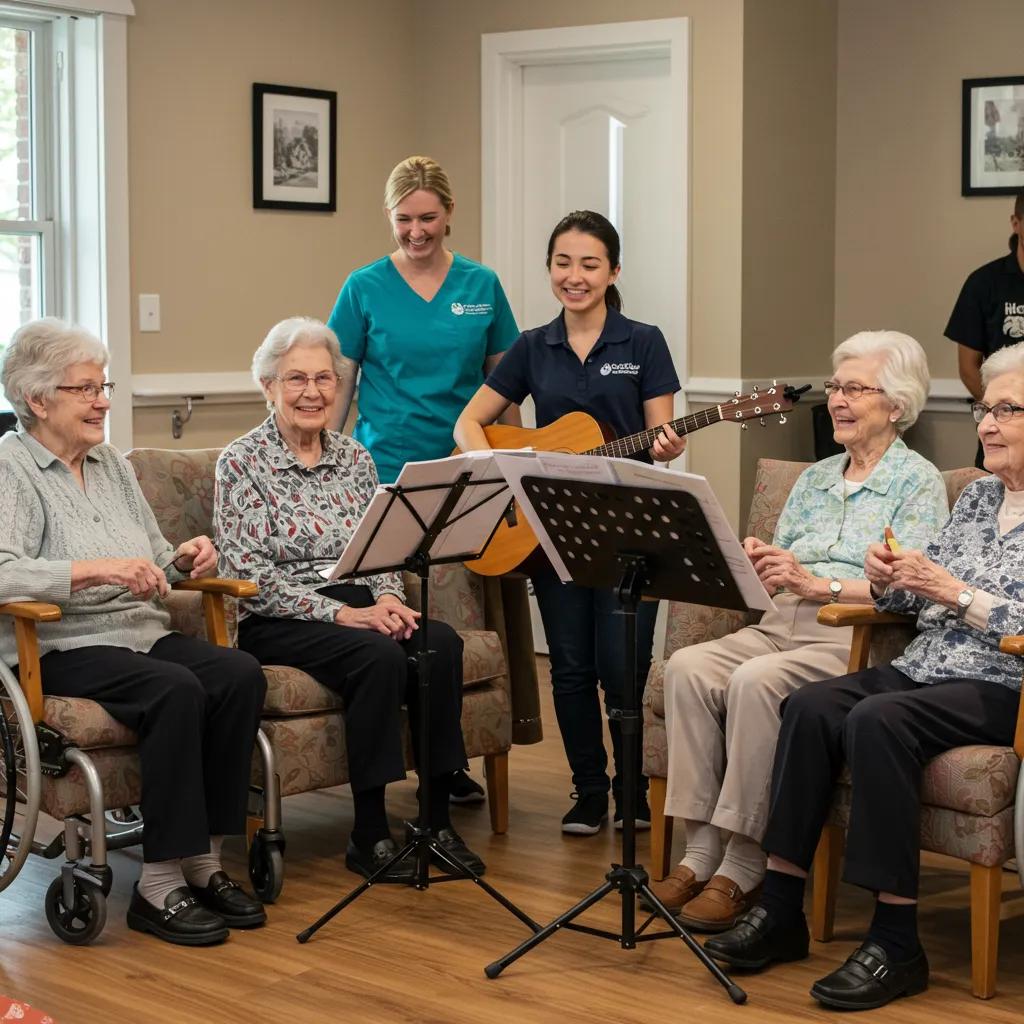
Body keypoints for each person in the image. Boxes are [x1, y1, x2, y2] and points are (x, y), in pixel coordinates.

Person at [703, 341, 1024, 1011]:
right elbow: (914, 595)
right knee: (812, 705)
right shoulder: (976, 500)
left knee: (879, 719)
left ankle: (897, 939)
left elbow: (997, 614)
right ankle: (782, 908)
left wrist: (956, 593)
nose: (986, 424)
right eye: (983, 408)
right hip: (925, 666)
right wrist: (892, 576)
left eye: (1005, 410)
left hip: (1001, 682)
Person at [646, 331, 949, 933]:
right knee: (686, 667)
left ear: (896, 403)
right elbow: (784, 570)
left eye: (855, 389)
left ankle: (745, 859)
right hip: (781, 622)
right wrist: (760, 558)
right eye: (836, 387)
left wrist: (817, 586)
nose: (838, 399)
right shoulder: (813, 480)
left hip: (855, 635)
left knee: (758, 683)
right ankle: (698, 851)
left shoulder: (919, 483)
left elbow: (913, 587)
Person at [0, 318, 267, 947]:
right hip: (62, 645)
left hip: (138, 634)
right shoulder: (12, 468)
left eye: (105, 386)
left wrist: (184, 557)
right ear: (38, 400)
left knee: (237, 673)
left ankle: (203, 859)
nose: (102, 401)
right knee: (174, 688)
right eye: (85, 389)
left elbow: (151, 554)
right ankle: (157, 885)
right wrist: (97, 570)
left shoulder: (111, 464)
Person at [215, 316, 486, 881]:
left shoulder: (356, 459)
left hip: (356, 600)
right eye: (295, 379)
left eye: (323, 378)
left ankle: (436, 824)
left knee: (438, 644)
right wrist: (343, 613)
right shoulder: (242, 462)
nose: (312, 392)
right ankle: (368, 834)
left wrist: (387, 600)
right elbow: (247, 574)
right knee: (377, 655)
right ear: (268, 386)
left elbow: (380, 549)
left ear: (340, 386)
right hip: (279, 612)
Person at [455, 210, 686, 835]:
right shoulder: (534, 346)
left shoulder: (643, 341)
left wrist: (666, 445)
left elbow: (662, 436)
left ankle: (632, 788)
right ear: (549, 268)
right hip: (551, 528)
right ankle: (587, 790)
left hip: (629, 528)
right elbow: (468, 423)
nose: (574, 276)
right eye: (563, 262)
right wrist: (500, 465)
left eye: (589, 264)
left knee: (622, 666)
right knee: (571, 665)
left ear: (613, 272)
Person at [327, 154, 520, 803]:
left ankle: (451, 761)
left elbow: (505, 387)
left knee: (455, 621)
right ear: (390, 217)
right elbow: (338, 388)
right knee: (395, 614)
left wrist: (518, 461)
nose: (416, 231)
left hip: (466, 474)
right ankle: (403, 759)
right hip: (381, 475)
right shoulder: (363, 288)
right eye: (404, 219)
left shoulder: (482, 284)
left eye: (428, 218)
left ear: (449, 214)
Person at [945, 188, 1024, 467]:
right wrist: (1003, 412)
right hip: (1001, 426)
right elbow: (968, 367)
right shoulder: (984, 283)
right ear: (1016, 223)